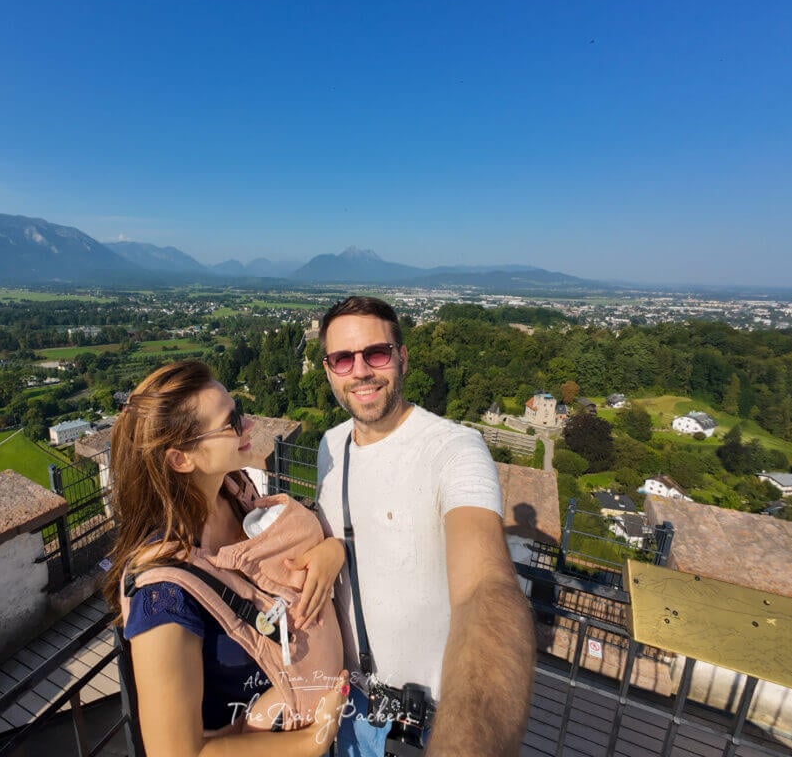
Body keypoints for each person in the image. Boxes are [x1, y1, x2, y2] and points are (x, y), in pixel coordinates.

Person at [314, 296, 536, 757]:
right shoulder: (330, 447)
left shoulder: (454, 450)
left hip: (431, 720)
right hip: (347, 702)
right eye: (342, 359)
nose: (361, 371)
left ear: (402, 357)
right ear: (328, 369)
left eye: (376, 353)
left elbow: (485, 587)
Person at [103, 360, 349, 756]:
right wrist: (311, 742)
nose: (249, 426)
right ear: (181, 459)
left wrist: (331, 552)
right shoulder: (162, 593)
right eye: (231, 421)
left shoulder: (235, 494)